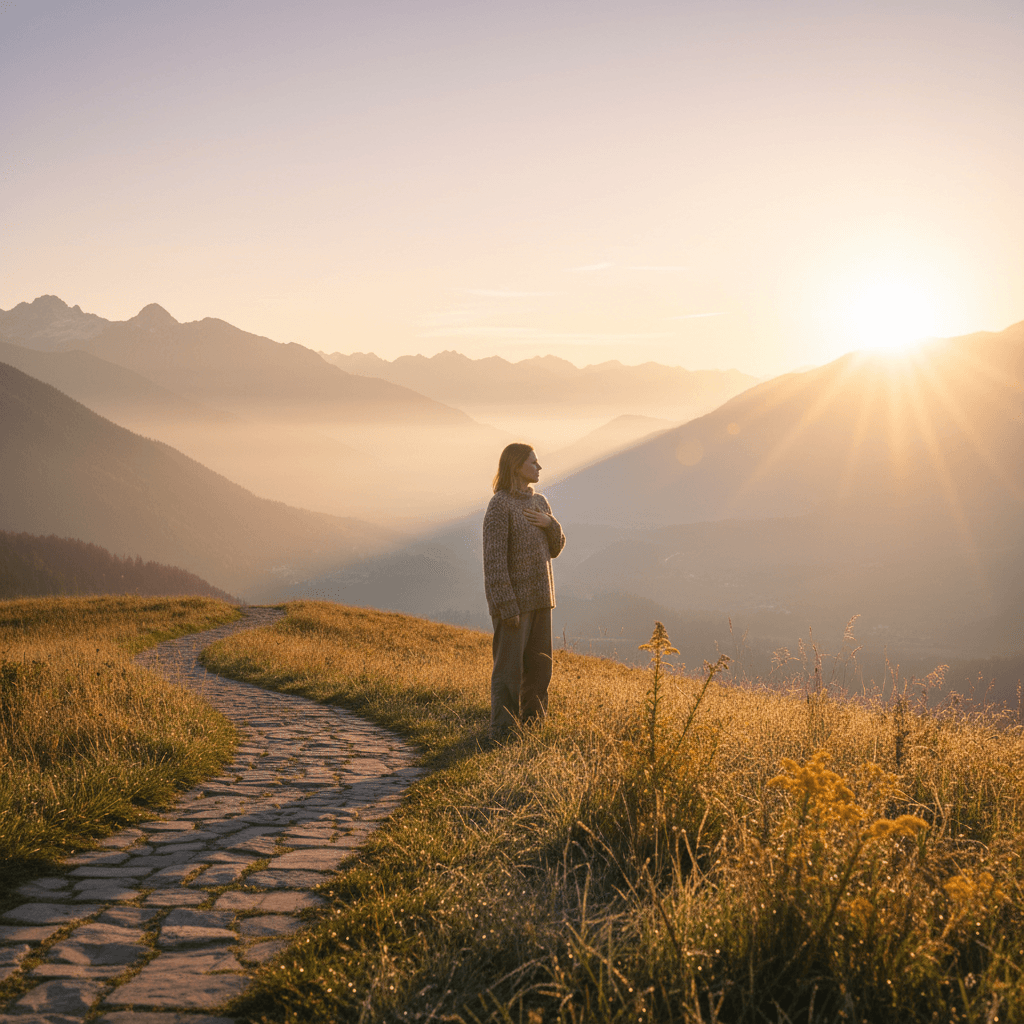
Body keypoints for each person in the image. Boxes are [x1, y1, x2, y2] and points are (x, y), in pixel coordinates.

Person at [482, 443, 566, 740]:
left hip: (542, 600)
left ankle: (533, 727)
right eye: (533, 462)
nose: (539, 467)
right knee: (508, 672)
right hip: (514, 604)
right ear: (516, 466)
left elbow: (555, 549)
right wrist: (506, 605)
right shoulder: (500, 505)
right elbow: (494, 561)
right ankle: (503, 731)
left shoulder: (540, 502)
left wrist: (550, 523)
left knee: (540, 670)